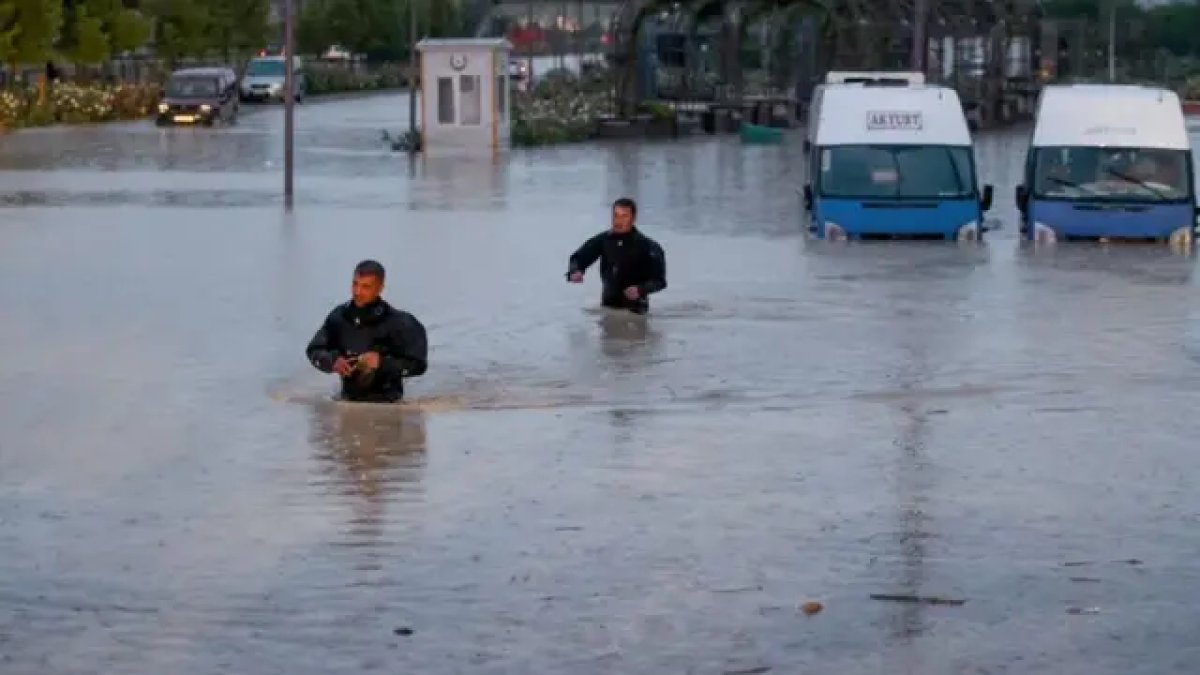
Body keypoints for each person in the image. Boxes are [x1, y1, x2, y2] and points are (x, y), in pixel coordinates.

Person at [306, 260, 428, 402]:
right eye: (355, 284)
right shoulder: (339, 318)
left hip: (390, 405)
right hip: (347, 402)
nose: (358, 292)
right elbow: (314, 350)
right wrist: (332, 361)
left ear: (380, 288)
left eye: (366, 287)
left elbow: (419, 365)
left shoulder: (400, 323)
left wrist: (382, 363)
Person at [566, 197, 667, 314]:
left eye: (624, 216)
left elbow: (659, 281)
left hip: (636, 311)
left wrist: (640, 290)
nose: (619, 220)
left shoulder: (648, 246)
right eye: (616, 215)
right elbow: (579, 257)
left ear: (633, 218)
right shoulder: (603, 240)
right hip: (608, 307)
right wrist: (575, 271)